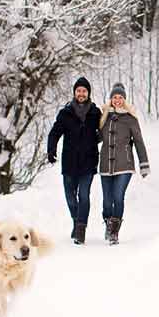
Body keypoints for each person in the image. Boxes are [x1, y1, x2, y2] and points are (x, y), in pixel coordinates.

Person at [47, 77, 102, 245]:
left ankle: (81, 228)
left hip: (88, 161)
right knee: (70, 197)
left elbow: (104, 132)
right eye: (78, 90)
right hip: (69, 162)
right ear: (74, 93)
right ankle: (76, 220)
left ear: (88, 93)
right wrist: (51, 150)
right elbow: (55, 132)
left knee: (84, 195)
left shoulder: (95, 112)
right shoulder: (66, 113)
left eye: (84, 91)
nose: (81, 93)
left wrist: (97, 140)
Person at [98, 83, 150, 245]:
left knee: (118, 197)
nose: (118, 100)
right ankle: (108, 223)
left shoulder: (130, 119)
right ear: (111, 99)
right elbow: (96, 138)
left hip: (125, 164)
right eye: (115, 97)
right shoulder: (104, 117)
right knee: (107, 201)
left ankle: (114, 232)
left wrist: (144, 164)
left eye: (120, 97)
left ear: (124, 99)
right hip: (106, 165)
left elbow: (139, 142)